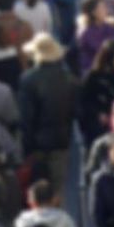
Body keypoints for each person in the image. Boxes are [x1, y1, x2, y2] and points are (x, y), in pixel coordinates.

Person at [17, 32, 78, 196]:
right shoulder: (69, 79)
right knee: (57, 191)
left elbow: (26, 118)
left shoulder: (28, 79)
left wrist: (26, 147)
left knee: (36, 191)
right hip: (61, 141)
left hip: (36, 145)